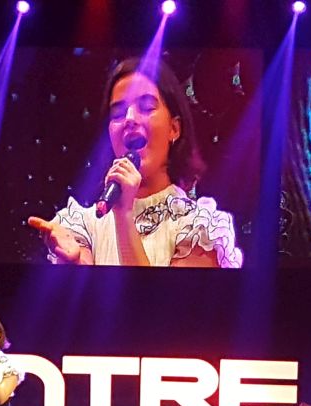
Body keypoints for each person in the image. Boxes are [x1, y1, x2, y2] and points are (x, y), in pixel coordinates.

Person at [27, 56, 243, 268]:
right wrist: (73, 264)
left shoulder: (199, 228)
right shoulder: (86, 225)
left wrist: (125, 214)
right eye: (118, 113)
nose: (129, 118)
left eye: (147, 107)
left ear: (174, 129)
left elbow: (151, 293)